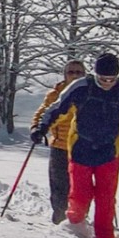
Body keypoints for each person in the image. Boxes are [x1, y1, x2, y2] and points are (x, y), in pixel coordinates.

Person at [31, 52, 119, 238]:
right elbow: (57, 109)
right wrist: (41, 127)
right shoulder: (81, 87)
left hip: (108, 152)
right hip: (80, 149)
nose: (107, 82)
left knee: (106, 198)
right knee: (80, 195)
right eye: (103, 78)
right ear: (95, 74)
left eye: (111, 79)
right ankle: (75, 229)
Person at [30, 58, 86, 224]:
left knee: (81, 190)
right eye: (71, 72)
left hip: (84, 149)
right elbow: (41, 114)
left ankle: (79, 222)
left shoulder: (91, 94)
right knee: (59, 190)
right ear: (64, 75)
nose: (75, 75)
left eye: (79, 72)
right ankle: (60, 223)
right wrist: (36, 128)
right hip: (60, 147)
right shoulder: (55, 94)